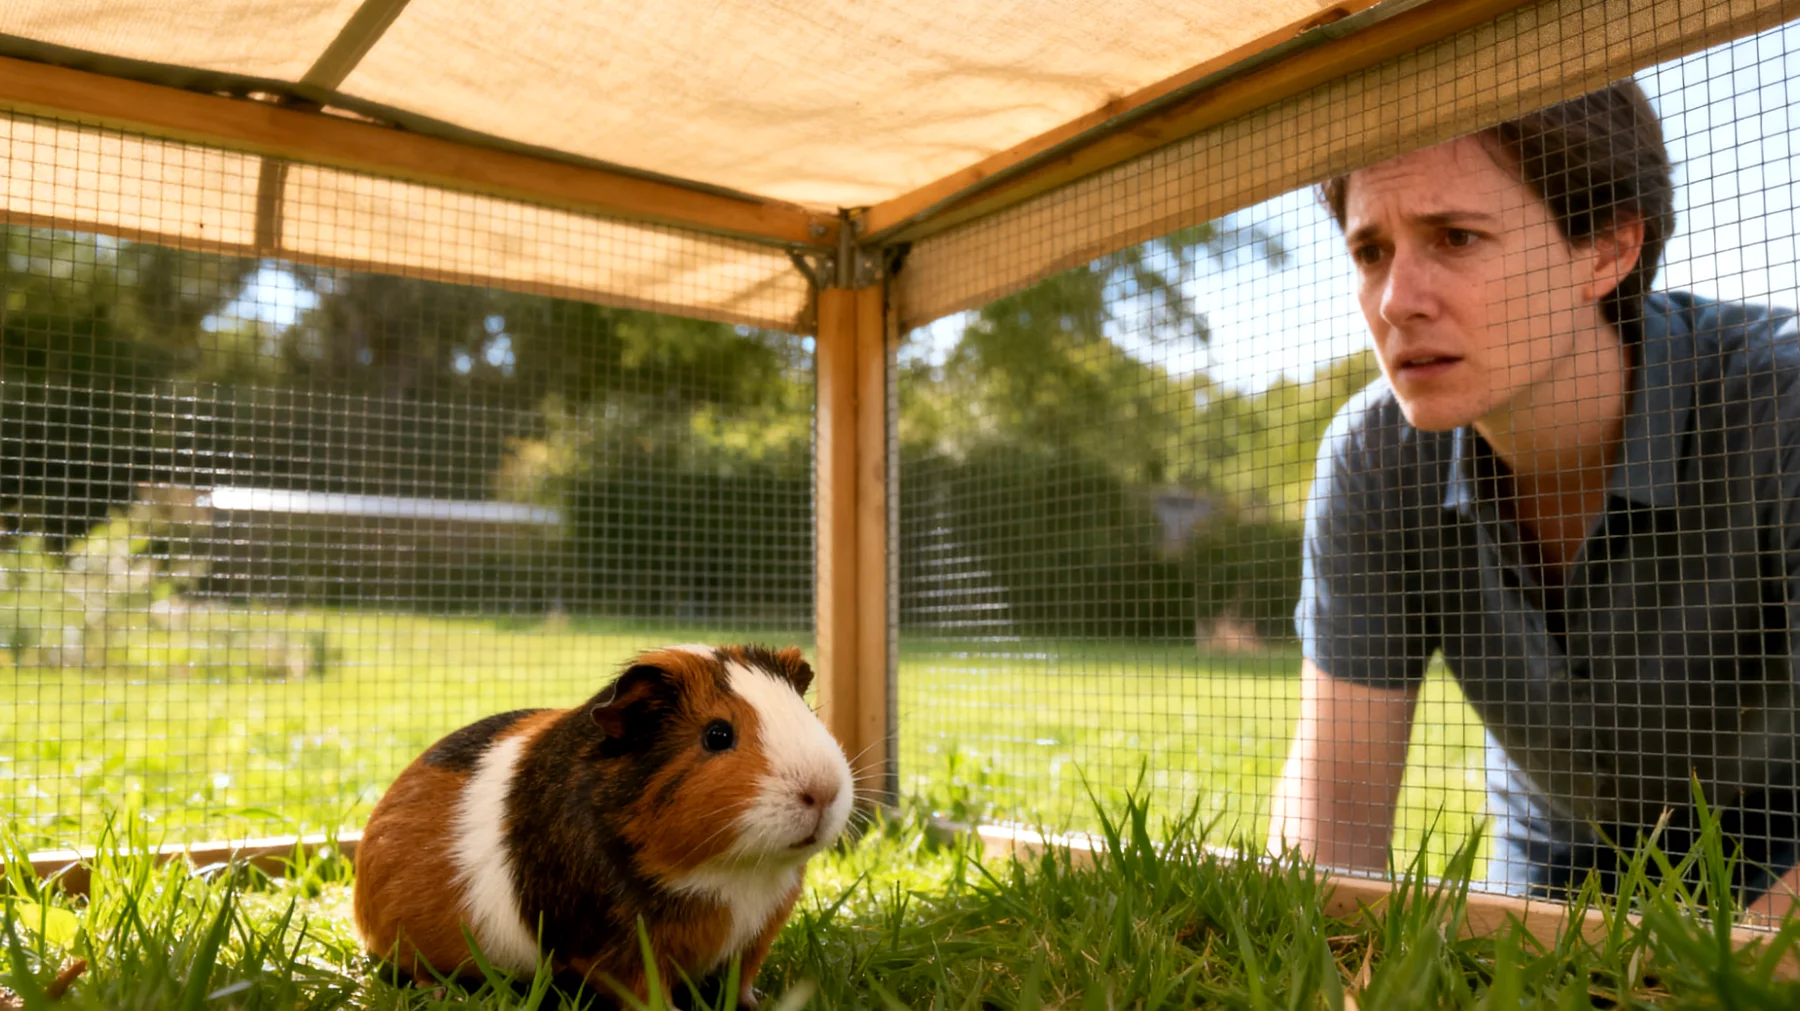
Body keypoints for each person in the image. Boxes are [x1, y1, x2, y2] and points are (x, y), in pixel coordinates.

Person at [1267, 78, 1800, 919]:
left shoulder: (1784, 404)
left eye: (1456, 237)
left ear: (1607, 249)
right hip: (1549, 891)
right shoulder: (1375, 456)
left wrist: (1705, 975)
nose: (1397, 301)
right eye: (1370, 251)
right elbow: (1335, 797)